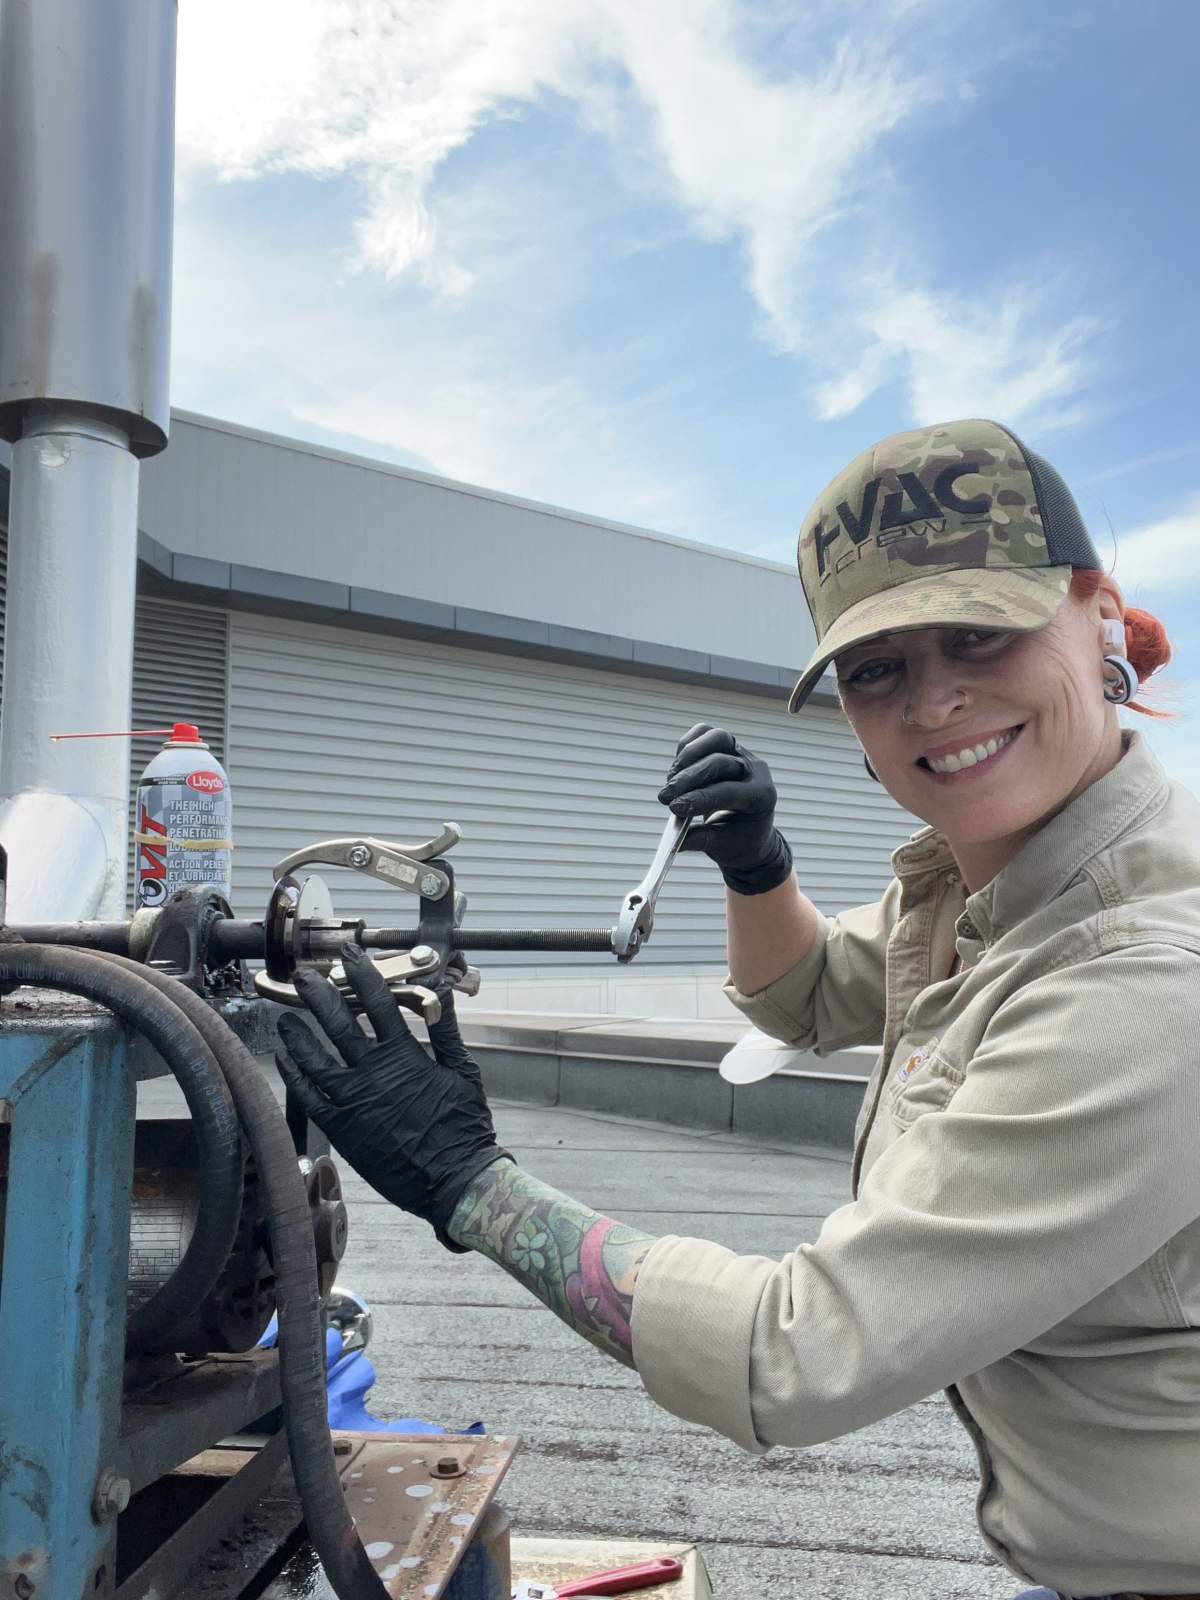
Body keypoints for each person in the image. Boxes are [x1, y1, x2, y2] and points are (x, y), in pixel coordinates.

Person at [276, 418, 1200, 1600]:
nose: (932, 702)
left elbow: (797, 1354)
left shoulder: (1140, 974)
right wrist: (758, 866)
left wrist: (468, 1181)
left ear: (1104, 618)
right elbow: (804, 996)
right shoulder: (1009, 885)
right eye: (877, 667)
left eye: (981, 631)